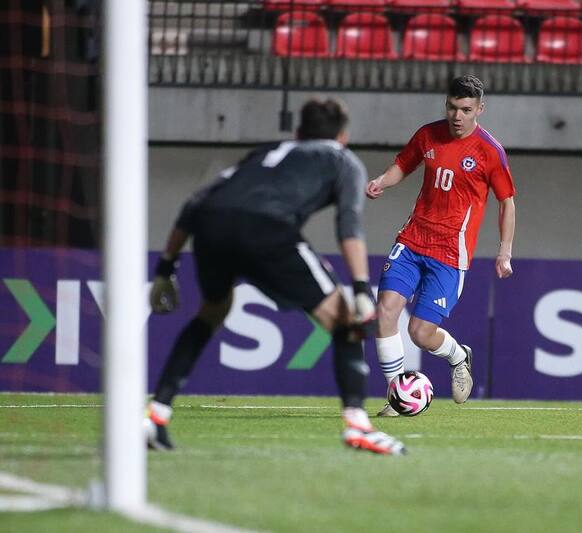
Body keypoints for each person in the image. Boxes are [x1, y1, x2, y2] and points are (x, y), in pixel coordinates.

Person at [145, 98, 406, 455]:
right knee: (347, 321)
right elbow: (348, 226)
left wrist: (165, 268)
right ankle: (358, 426)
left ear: (298, 132)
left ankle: (156, 415)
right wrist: (361, 287)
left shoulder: (266, 151)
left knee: (212, 312)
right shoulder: (343, 160)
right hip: (267, 228)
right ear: (343, 136)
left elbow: (195, 203)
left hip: (211, 227)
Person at [365, 75, 516, 416]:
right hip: (412, 239)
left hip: (450, 254)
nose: (457, 116)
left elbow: (507, 202)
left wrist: (504, 250)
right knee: (385, 312)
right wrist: (381, 182)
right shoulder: (427, 134)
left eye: (465, 109)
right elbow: (403, 164)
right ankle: (396, 396)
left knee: (420, 332)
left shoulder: (490, 152)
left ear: (480, 109)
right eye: (451, 107)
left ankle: (458, 356)